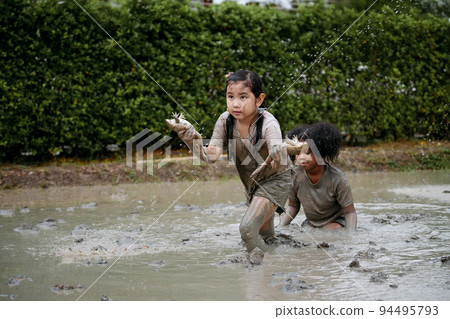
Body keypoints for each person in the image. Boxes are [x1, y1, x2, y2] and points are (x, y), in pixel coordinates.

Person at [170, 70, 294, 263]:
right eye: (231, 96)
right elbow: (211, 155)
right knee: (265, 235)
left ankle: (265, 265)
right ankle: (284, 262)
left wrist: (278, 151)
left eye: (243, 97)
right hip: (252, 183)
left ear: (259, 100)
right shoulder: (225, 121)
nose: (235, 103)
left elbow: (276, 147)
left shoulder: (269, 123)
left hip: (275, 179)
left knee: (247, 229)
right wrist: (190, 136)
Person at [278, 121, 357, 231]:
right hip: (311, 223)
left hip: (336, 222)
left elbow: (349, 212)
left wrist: (351, 236)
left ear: (321, 152)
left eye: (307, 152)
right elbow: (293, 206)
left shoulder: (338, 179)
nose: (301, 158)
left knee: (327, 231)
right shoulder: (294, 176)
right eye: (298, 152)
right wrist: (279, 228)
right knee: (306, 231)